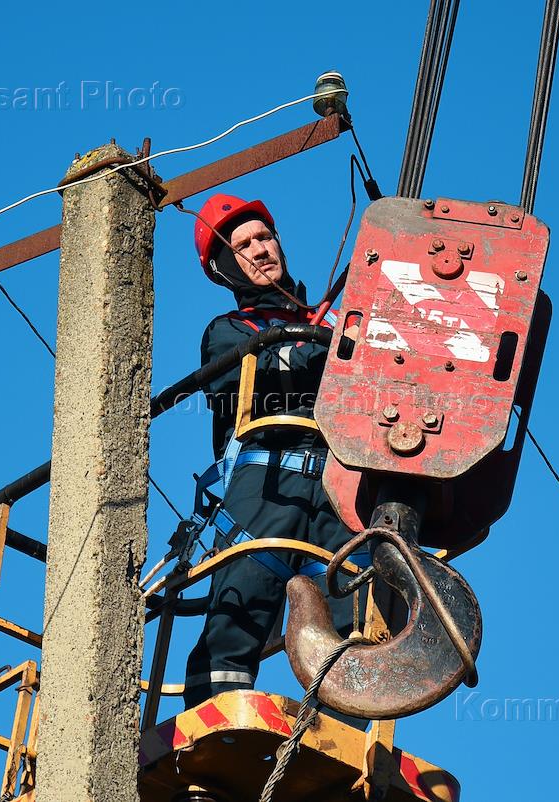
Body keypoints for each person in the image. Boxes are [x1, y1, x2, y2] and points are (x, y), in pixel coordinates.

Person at [182, 193, 363, 709]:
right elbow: (239, 384)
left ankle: (341, 731)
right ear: (222, 267)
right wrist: (318, 349)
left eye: (264, 237)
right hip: (267, 483)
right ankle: (215, 725)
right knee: (240, 607)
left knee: (352, 622)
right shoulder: (229, 333)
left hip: (341, 484)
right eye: (243, 246)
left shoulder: (335, 322)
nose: (261, 250)